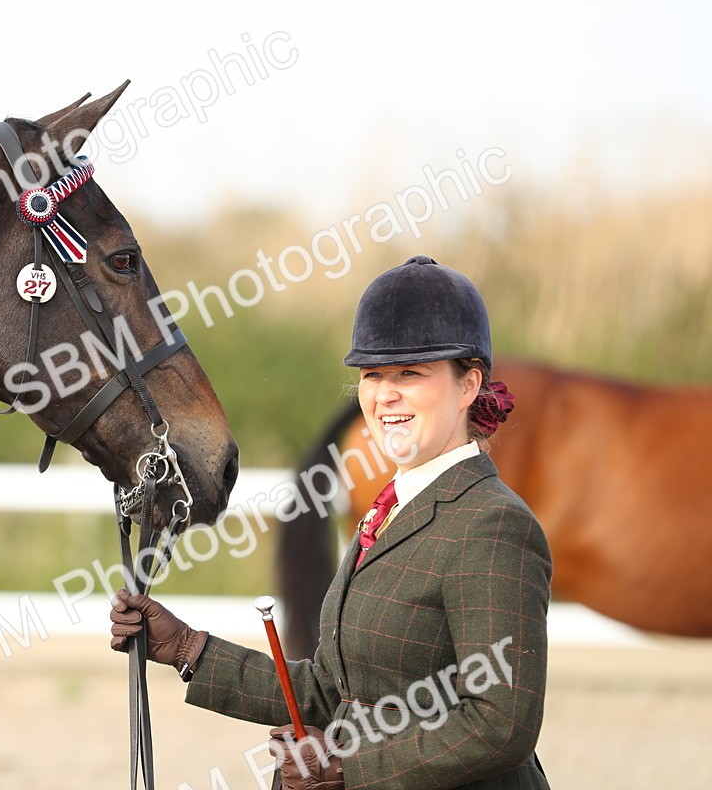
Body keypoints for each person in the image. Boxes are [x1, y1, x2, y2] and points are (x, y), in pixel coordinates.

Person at [110, 256, 552, 790]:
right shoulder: (391, 509)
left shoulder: (493, 524)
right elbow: (330, 689)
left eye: (410, 373)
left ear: (468, 385)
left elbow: (502, 723)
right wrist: (185, 647)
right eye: (373, 375)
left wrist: (348, 768)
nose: (385, 394)